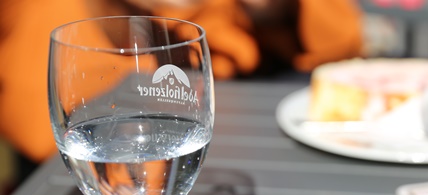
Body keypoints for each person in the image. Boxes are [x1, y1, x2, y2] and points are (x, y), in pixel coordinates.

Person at [0, 0, 364, 177]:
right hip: (71, 181)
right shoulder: (47, 17)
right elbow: (39, 127)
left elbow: (341, 39)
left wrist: (274, 8)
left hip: (234, 153)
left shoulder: (211, 12)